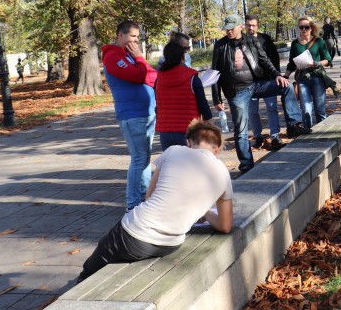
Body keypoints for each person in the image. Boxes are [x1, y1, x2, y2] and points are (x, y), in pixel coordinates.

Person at [77, 120, 233, 282]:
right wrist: (206, 213)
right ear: (217, 150)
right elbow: (225, 226)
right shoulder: (223, 172)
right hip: (170, 243)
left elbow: (149, 198)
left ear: (188, 142)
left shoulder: (173, 151)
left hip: (133, 233)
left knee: (89, 271)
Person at [211, 15, 308, 173]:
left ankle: (293, 125)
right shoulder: (220, 46)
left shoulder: (251, 40)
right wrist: (217, 97)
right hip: (237, 91)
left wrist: (277, 75)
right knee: (241, 129)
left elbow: (264, 60)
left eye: (232, 28)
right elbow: (215, 72)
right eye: (227, 29)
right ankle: (246, 164)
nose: (229, 31)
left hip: (256, 84)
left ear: (240, 26)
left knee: (286, 87)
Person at [102, 21, 158, 210]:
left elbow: (152, 75)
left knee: (145, 157)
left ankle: (145, 197)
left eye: (137, 37)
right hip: (132, 114)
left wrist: (140, 64)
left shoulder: (129, 55)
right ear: (120, 35)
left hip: (146, 111)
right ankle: (133, 204)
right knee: (139, 159)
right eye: (133, 37)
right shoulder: (113, 56)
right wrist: (140, 59)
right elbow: (138, 76)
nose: (136, 41)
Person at [155, 41, 213, 151]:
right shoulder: (192, 77)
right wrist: (208, 119)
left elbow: (158, 104)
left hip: (165, 131)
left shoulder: (159, 80)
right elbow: (202, 103)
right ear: (183, 57)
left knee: (171, 164)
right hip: (188, 130)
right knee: (190, 165)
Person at [284, 17, 333, 129]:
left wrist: (317, 63)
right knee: (306, 109)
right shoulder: (295, 44)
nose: (304, 29)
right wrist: (286, 76)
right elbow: (291, 63)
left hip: (317, 77)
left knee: (320, 109)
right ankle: (308, 133)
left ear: (311, 28)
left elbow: (328, 59)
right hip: (302, 79)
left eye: (306, 27)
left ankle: (324, 132)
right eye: (301, 27)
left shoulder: (318, 42)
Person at [245, 14, 282, 150]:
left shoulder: (265, 39)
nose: (251, 28)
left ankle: (275, 136)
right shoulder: (241, 41)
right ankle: (258, 136)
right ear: (245, 26)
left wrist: (276, 75)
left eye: (253, 25)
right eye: (249, 25)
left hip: (267, 80)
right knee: (252, 111)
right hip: (250, 83)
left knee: (272, 108)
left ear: (257, 26)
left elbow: (274, 58)